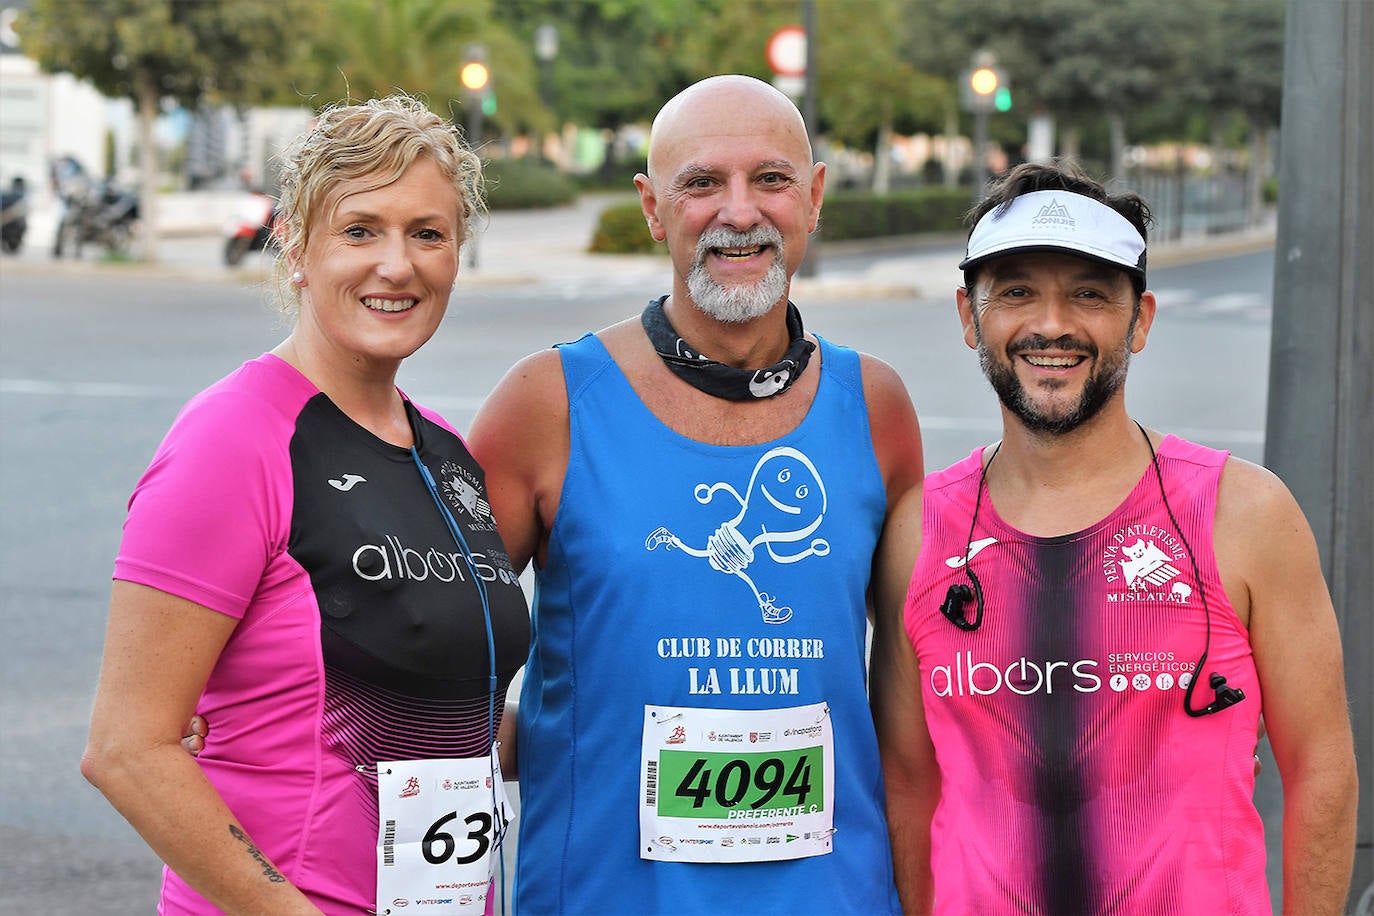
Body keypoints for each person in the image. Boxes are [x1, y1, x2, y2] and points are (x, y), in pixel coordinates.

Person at [466, 74, 923, 914]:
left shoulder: (877, 408)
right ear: (651, 205)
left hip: (833, 894)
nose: (739, 212)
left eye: (772, 180)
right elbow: (436, 655)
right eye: (703, 183)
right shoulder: (548, 403)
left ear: (814, 196)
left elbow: (910, 718)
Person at [81, 95, 531, 915]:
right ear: (295, 243)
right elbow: (127, 749)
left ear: (456, 253)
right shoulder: (234, 438)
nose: (397, 264)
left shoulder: (445, 449)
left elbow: (435, 712)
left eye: (427, 233)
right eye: (360, 230)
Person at [870, 161, 1359, 914]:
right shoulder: (918, 530)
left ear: (1141, 319)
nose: (1052, 324)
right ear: (970, 316)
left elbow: (1321, 769)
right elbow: (906, 781)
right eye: (1017, 291)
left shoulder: (1245, 513)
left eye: (1090, 294)